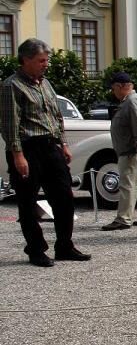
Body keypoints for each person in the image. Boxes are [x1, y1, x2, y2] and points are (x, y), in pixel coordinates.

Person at [0, 38, 90, 266]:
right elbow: (10, 124)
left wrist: (64, 144)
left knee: (64, 198)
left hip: (51, 147)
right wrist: (17, 154)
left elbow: (56, 116)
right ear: (26, 60)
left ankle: (64, 245)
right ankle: (36, 249)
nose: (45, 64)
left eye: (46, 60)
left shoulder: (45, 83)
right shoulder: (12, 86)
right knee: (28, 202)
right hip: (28, 149)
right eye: (41, 60)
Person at [101, 71, 137, 231]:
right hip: (132, 149)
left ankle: (124, 219)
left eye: (114, 88)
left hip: (131, 151)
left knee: (127, 184)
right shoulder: (131, 101)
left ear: (120, 87)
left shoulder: (132, 102)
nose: (113, 92)